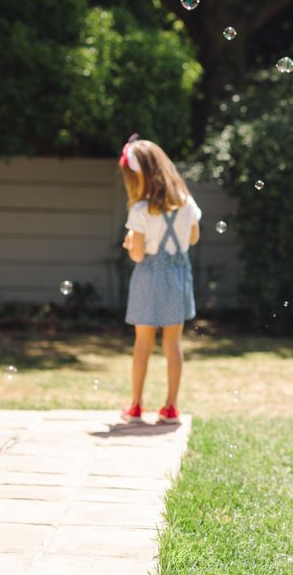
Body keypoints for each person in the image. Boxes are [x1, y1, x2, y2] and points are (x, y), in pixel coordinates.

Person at [119, 137, 202, 425]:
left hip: (150, 277)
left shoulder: (140, 211)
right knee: (173, 343)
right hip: (178, 275)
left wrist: (130, 241)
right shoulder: (186, 202)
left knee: (143, 343)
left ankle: (136, 405)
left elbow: (139, 255)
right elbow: (192, 239)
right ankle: (170, 406)